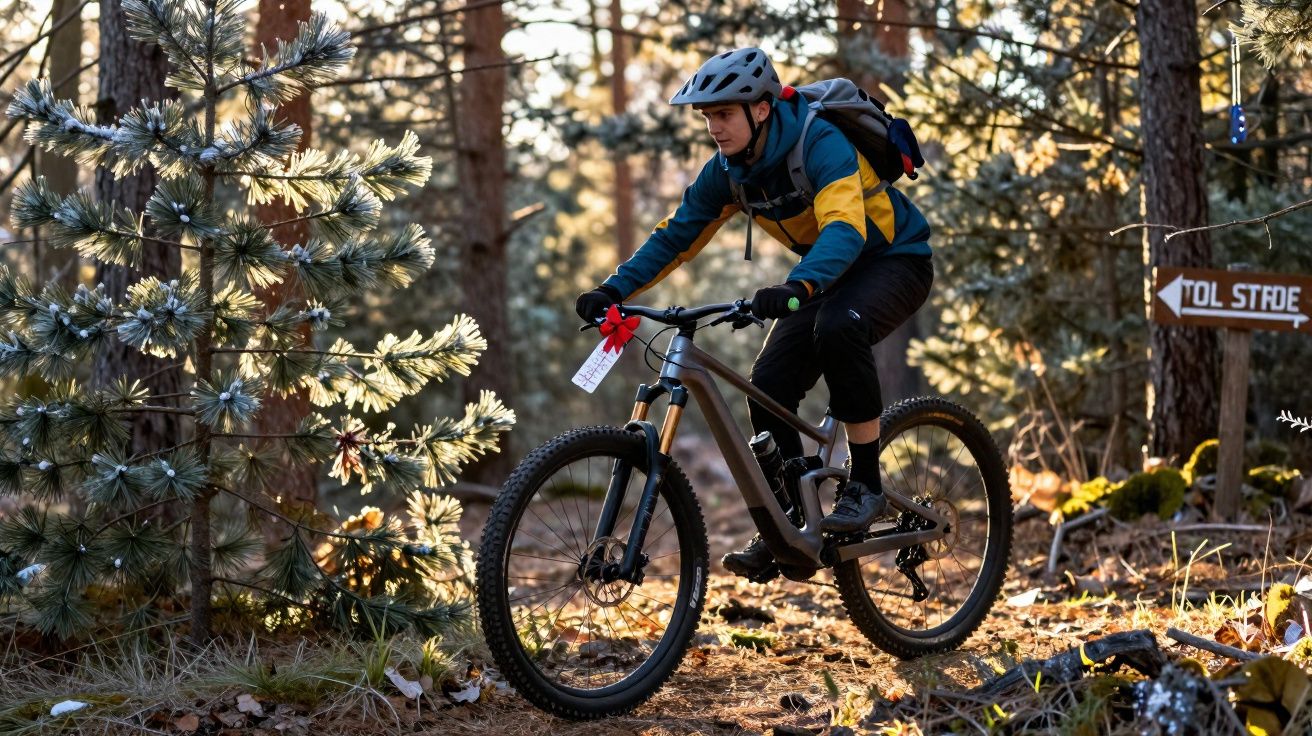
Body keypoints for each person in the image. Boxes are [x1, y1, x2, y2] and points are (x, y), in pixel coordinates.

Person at [574, 47, 934, 579]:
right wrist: (614, 289)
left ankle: (867, 486)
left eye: (723, 113)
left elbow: (843, 228)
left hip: (893, 260)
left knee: (839, 328)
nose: (714, 127)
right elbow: (676, 237)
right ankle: (794, 524)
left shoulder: (821, 143)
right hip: (822, 274)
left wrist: (797, 286)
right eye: (707, 117)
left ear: (760, 109)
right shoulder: (728, 172)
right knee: (766, 387)